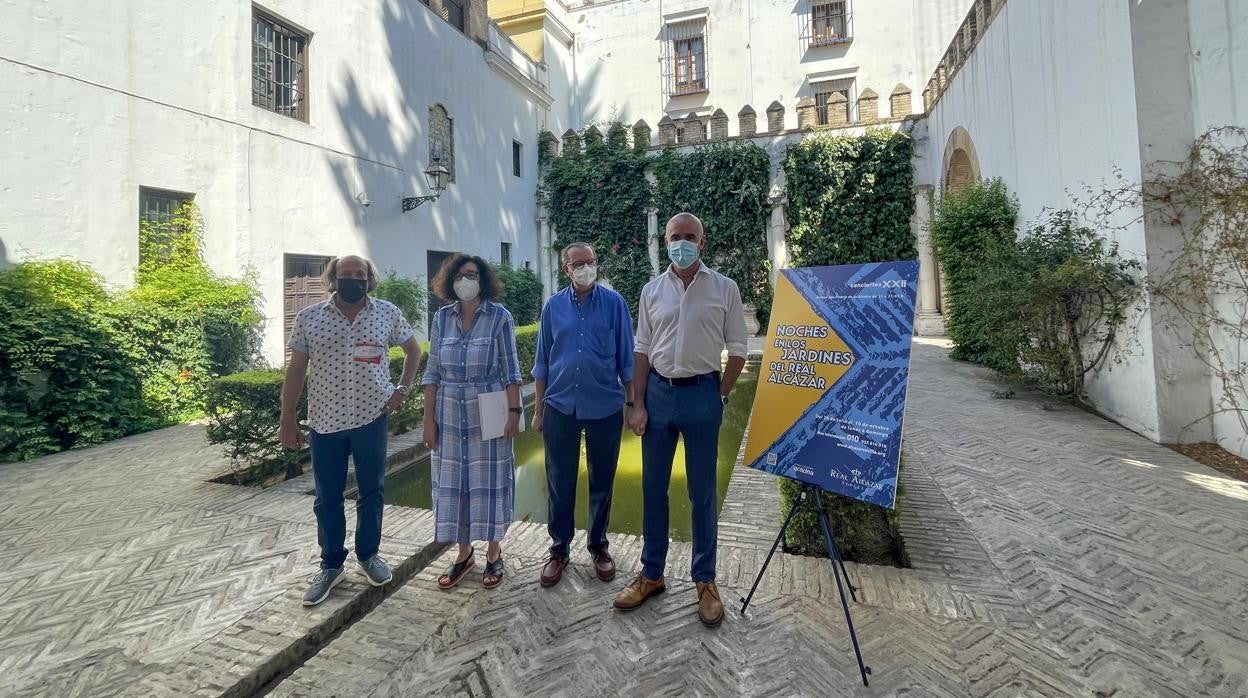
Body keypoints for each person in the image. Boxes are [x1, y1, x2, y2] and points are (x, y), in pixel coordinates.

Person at [613, 213, 748, 627]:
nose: (682, 242)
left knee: (702, 491)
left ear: (702, 242)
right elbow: (641, 350)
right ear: (666, 240)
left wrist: (719, 393)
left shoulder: (724, 288)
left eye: (690, 237)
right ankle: (651, 574)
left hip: (702, 395)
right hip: (657, 394)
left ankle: (705, 581)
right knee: (654, 488)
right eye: (676, 237)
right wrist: (636, 403)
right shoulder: (652, 291)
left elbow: (739, 349)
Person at [280, 255, 422, 607]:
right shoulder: (308, 318)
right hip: (324, 423)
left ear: (369, 279)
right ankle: (331, 565)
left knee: (372, 490)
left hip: (371, 418)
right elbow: (296, 371)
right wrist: (287, 417)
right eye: (346, 275)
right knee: (327, 497)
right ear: (334, 279)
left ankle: (369, 555)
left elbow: (413, 350)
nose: (353, 279)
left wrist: (401, 391)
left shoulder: (386, 313)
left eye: (360, 275)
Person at [532, 242, 635, 587]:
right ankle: (559, 549)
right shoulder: (553, 307)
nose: (586, 268)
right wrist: (537, 411)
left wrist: (633, 404)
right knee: (560, 482)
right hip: (560, 405)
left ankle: (598, 546)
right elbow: (542, 362)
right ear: (566, 270)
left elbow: (626, 361)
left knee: (601, 480)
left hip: (604, 405)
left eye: (590, 262)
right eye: (578, 264)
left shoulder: (615, 304)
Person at [421, 254, 522, 590]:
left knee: (490, 483)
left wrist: (514, 413)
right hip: (448, 414)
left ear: (483, 280)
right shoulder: (441, 319)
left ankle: (494, 553)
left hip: (488, 409)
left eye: (473, 274)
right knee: (454, 485)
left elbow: (511, 371)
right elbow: (432, 371)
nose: (466, 280)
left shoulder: (499, 317)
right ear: (450, 281)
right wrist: (427, 420)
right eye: (460, 275)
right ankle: (464, 554)